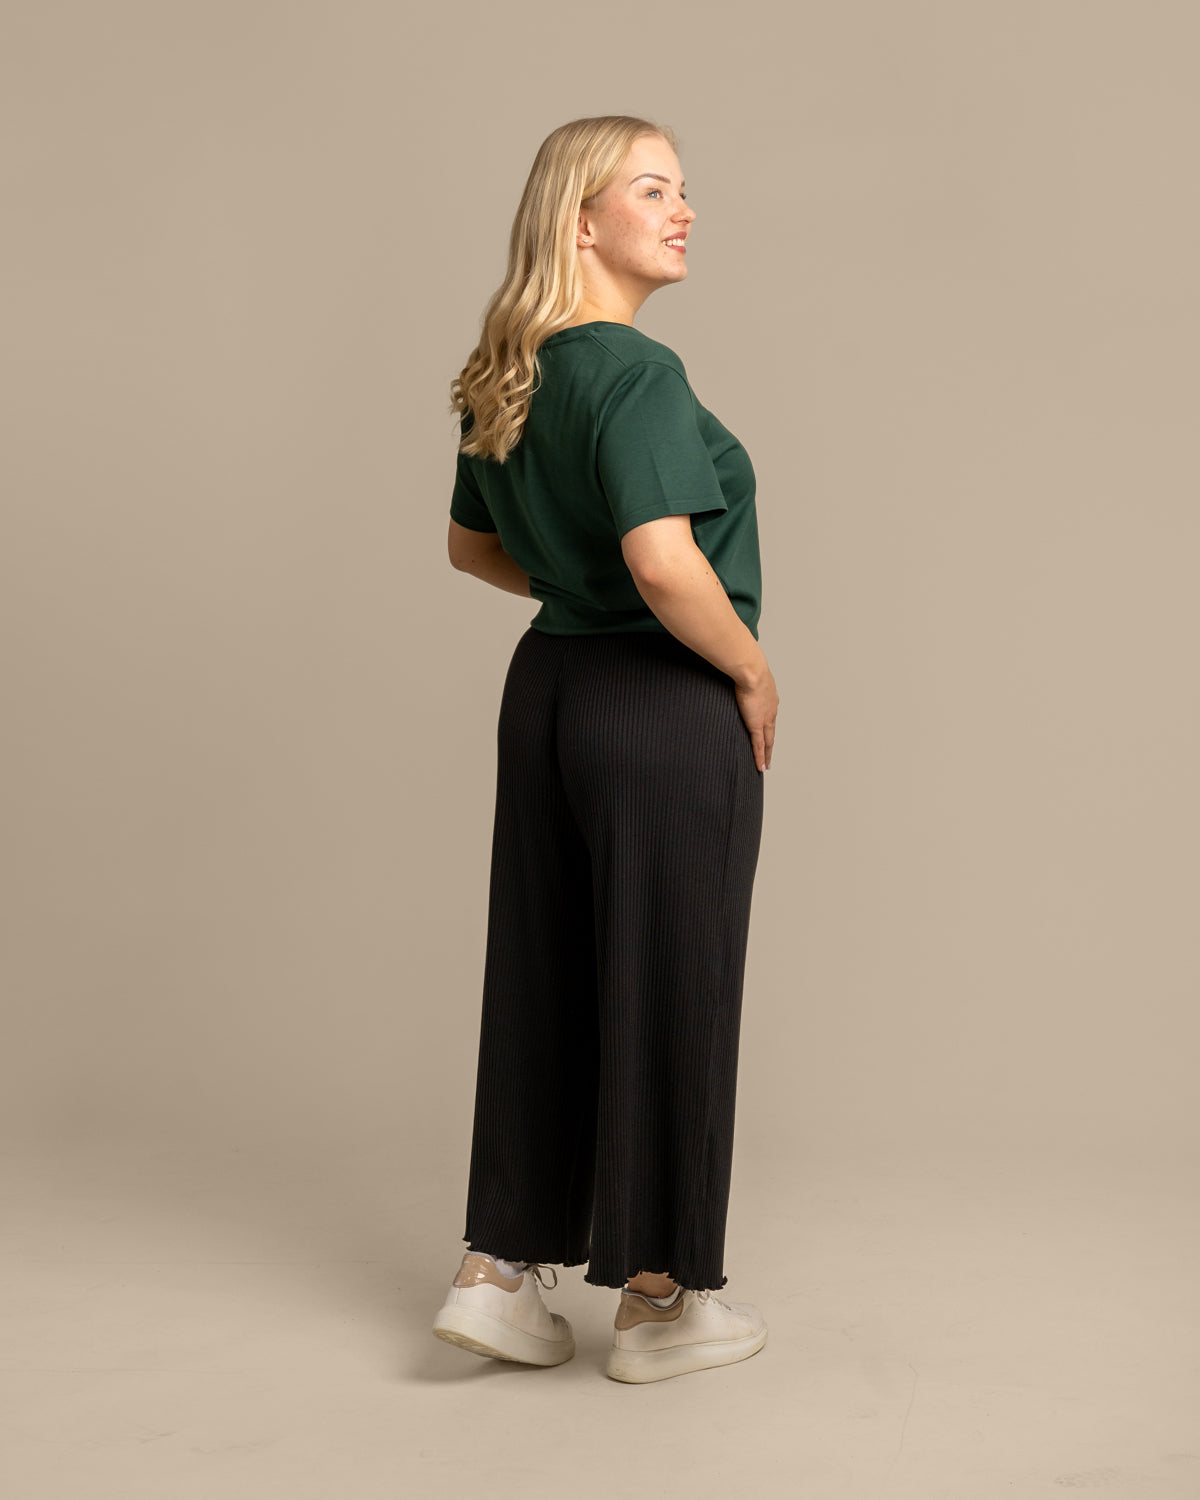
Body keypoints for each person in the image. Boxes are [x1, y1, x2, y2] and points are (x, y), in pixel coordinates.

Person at [431, 115, 780, 1384]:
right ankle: (660, 1301)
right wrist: (747, 667)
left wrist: (575, 592)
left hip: (551, 693)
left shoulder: (507, 368)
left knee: (545, 968)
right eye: (652, 190)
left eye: (684, 188)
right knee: (674, 974)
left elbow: (471, 548)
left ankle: (497, 1274)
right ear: (581, 222)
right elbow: (663, 560)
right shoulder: (638, 374)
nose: (683, 210)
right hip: (656, 696)